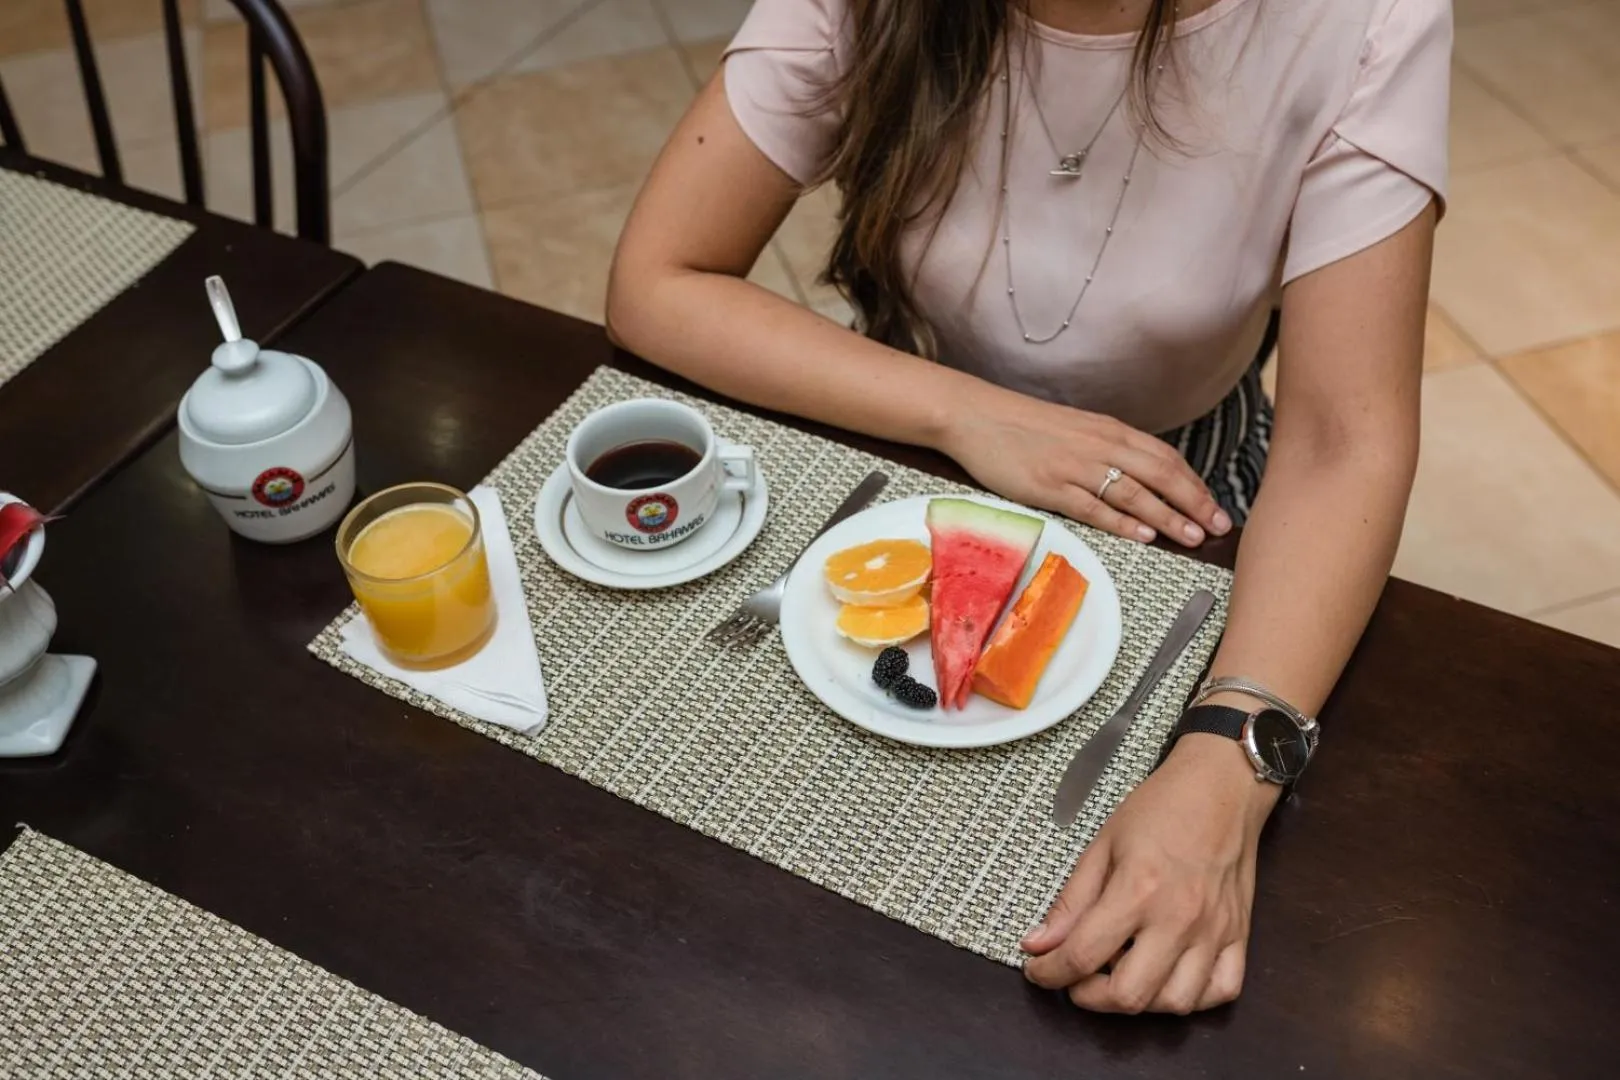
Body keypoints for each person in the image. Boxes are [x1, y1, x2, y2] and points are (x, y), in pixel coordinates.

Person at [607, 0, 1449, 1014]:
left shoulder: (1366, 20)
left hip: (1177, 491)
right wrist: (966, 415)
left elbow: (1343, 440)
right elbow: (661, 279)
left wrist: (1231, 754)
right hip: (901, 431)